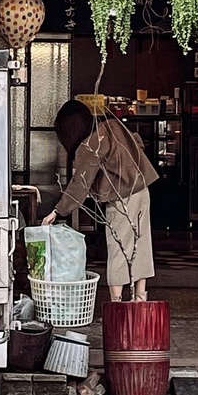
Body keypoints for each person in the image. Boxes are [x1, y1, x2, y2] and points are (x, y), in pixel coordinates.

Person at [44, 101, 159, 302]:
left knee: (118, 247)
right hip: (142, 190)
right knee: (141, 245)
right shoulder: (112, 126)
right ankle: (141, 299)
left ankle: (117, 302)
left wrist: (57, 211)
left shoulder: (90, 145)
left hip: (121, 199)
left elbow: (80, 183)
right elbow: (137, 142)